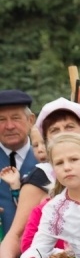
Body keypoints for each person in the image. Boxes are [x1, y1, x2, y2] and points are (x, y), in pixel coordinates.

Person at [0, 98, 80, 258]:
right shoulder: (50, 198)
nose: (67, 166)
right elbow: (24, 235)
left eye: (69, 127)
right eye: (55, 130)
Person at [19, 134, 80, 258]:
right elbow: (40, 247)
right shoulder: (55, 209)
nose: (67, 167)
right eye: (59, 163)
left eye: (73, 159)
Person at [0, 90, 37, 233]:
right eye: (1, 120)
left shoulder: (49, 160)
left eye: (16, 118)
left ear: (31, 120)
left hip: (42, 251)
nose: (9, 126)